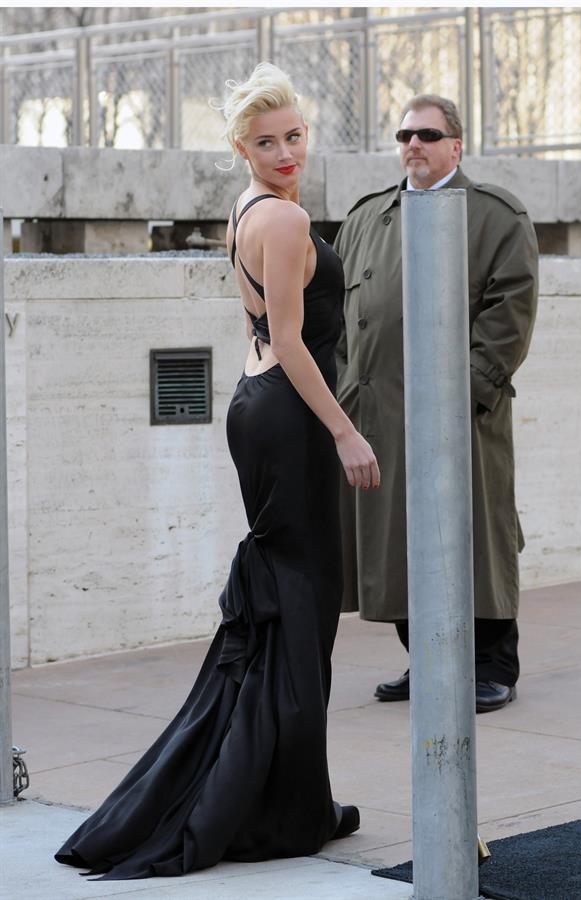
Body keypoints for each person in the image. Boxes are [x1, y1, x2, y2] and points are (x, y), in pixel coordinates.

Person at [54, 63, 379, 881]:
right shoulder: (283, 219)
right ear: (240, 147)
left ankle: (295, 796)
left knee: (285, 616)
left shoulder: (246, 209)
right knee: (299, 617)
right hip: (291, 417)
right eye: (266, 142)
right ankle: (279, 806)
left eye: (294, 136)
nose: (285, 152)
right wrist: (345, 433)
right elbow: (296, 341)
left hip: (259, 402)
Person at [334, 94, 538, 714]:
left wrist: (462, 397)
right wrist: (346, 394)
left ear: (455, 144)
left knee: (474, 532)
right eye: (404, 134)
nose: (413, 145)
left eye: (426, 134)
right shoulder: (369, 216)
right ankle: (426, 656)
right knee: (396, 539)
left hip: (461, 418)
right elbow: (341, 319)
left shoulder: (495, 215)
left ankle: (491, 665)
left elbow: (510, 312)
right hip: (378, 414)